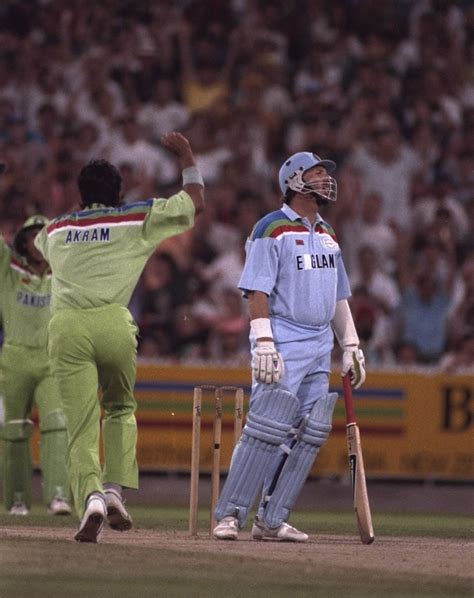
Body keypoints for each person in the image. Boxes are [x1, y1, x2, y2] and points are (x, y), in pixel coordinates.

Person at [34, 132, 205, 542]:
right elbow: (196, 202)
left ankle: (90, 497)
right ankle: (113, 491)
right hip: (114, 322)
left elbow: (40, 256)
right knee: (121, 409)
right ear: (118, 192)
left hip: (67, 326)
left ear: (79, 196)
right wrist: (186, 155)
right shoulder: (136, 217)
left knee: (80, 426)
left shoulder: (54, 229)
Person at [213, 151, 366, 542]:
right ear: (295, 180)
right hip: (282, 336)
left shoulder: (328, 233)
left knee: (309, 431)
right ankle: (230, 514)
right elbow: (256, 289)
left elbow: (337, 296)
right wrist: (264, 341)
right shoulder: (271, 228)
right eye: (317, 173)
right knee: (266, 427)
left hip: (318, 343)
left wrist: (349, 343)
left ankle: (271, 517)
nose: (325, 179)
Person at [0, 216, 71, 516]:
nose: (38, 241)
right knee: (14, 429)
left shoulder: (64, 272)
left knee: (56, 424)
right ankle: (17, 499)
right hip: (15, 358)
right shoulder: (9, 270)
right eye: (32, 236)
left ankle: (58, 495)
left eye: (44, 235)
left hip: (51, 359)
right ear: (23, 242)